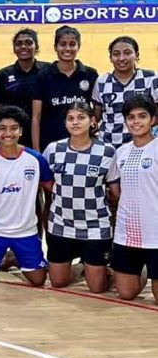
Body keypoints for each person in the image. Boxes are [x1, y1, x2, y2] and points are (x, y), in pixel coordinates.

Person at [0, 106, 53, 286]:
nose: (8, 133)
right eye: (3, 129)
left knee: (38, 280)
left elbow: (51, 189)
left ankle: (15, 259)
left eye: (14, 128)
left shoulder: (36, 160)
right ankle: (2, 257)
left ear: (21, 131)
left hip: (25, 231)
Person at [42, 100, 115, 292]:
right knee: (57, 283)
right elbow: (47, 184)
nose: (75, 122)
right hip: (61, 224)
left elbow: (114, 192)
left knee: (97, 288)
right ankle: (82, 267)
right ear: (65, 123)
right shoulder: (53, 149)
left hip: (95, 226)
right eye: (70, 118)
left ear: (92, 121)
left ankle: (113, 272)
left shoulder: (107, 152)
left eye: (81, 118)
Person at [107, 95, 158, 303]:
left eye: (142, 116)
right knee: (126, 293)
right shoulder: (121, 152)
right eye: (131, 117)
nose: (136, 122)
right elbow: (116, 191)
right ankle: (143, 270)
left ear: (152, 119)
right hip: (127, 233)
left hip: (155, 233)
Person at [32, 25, 98, 152]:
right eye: (62, 44)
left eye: (72, 44)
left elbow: (95, 112)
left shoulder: (90, 74)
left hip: (83, 143)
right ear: (55, 47)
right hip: (51, 143)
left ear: (78, 46)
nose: (67, 48)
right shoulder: (43, 76)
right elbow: (36, 117)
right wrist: (36, 151)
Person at [93, 36, 158, 148]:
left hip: (143, 145)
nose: (122, 58)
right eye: (116, 54)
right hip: (109, 146)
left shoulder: (150, 78)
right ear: (110, 57)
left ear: (137, 55)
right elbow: (96, 116)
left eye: (127, 53)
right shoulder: (102, 82)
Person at [0, 28, 47, 148]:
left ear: (36, 47)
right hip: (13, 135)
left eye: (28, 43)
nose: (23, 46)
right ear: (14, 48)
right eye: (19, 43)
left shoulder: (47, 70)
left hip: (44, 132)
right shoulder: (4, 74)